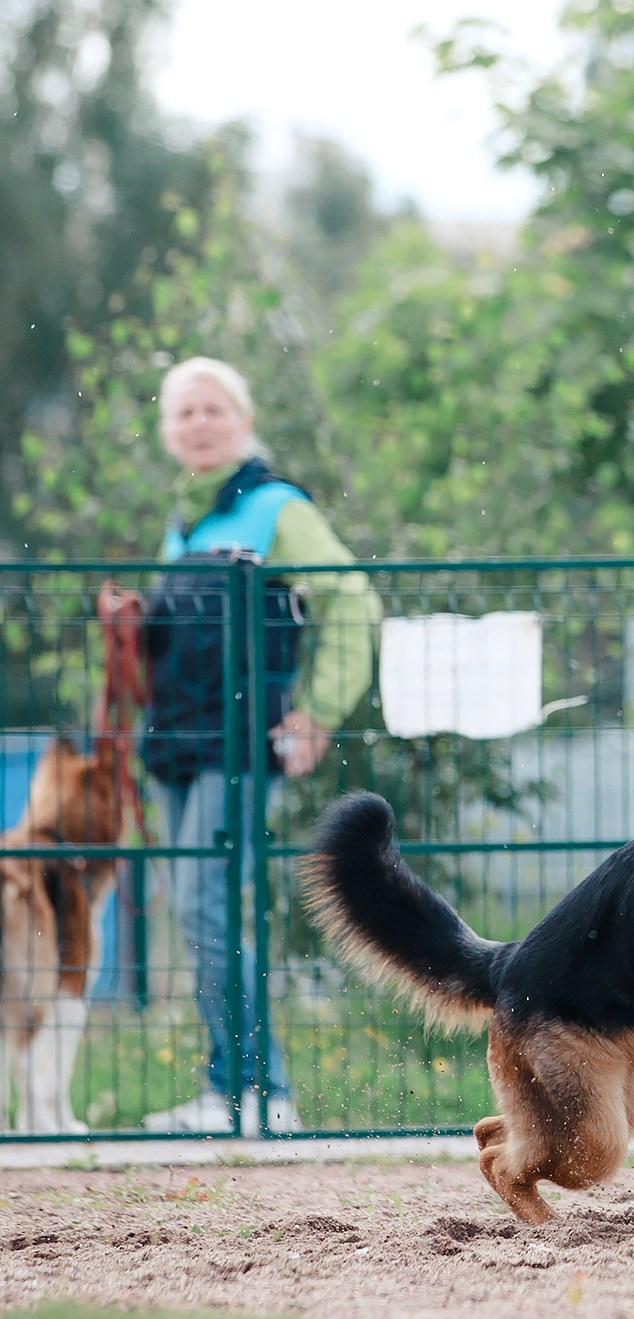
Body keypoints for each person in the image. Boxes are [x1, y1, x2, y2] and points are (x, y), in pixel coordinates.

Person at [140, 357, 377, 1135]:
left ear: (242, 420)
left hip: (237, 746)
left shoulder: (275, 507)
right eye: (184, 413)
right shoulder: (187, 523)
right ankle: (223, 1092)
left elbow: (350, 597)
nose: (198, 423)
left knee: (212, 909)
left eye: (213, 409)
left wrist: (315, 714)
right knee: (196, 913)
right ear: (167, 432)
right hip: (176, 746)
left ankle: (264, 1094)